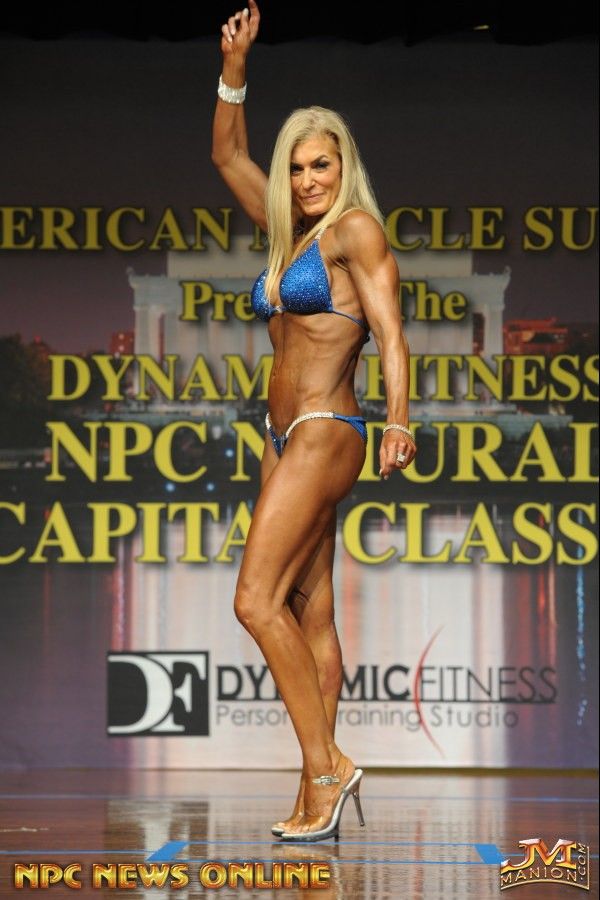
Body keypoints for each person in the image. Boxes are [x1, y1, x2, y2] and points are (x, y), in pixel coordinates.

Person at [212, 0, 416, 842]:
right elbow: (227, 154)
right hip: (281, 437)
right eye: (296, 168)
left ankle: (327, 766)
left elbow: (392, 332)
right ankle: (313, 796)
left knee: (254, 601)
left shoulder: (354, 232)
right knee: (310, 615)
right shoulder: (285, 232)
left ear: (343, 165)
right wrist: (235, 69)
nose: (305, 180)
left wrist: (400, 420)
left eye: (319, 165)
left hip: (330, 426)